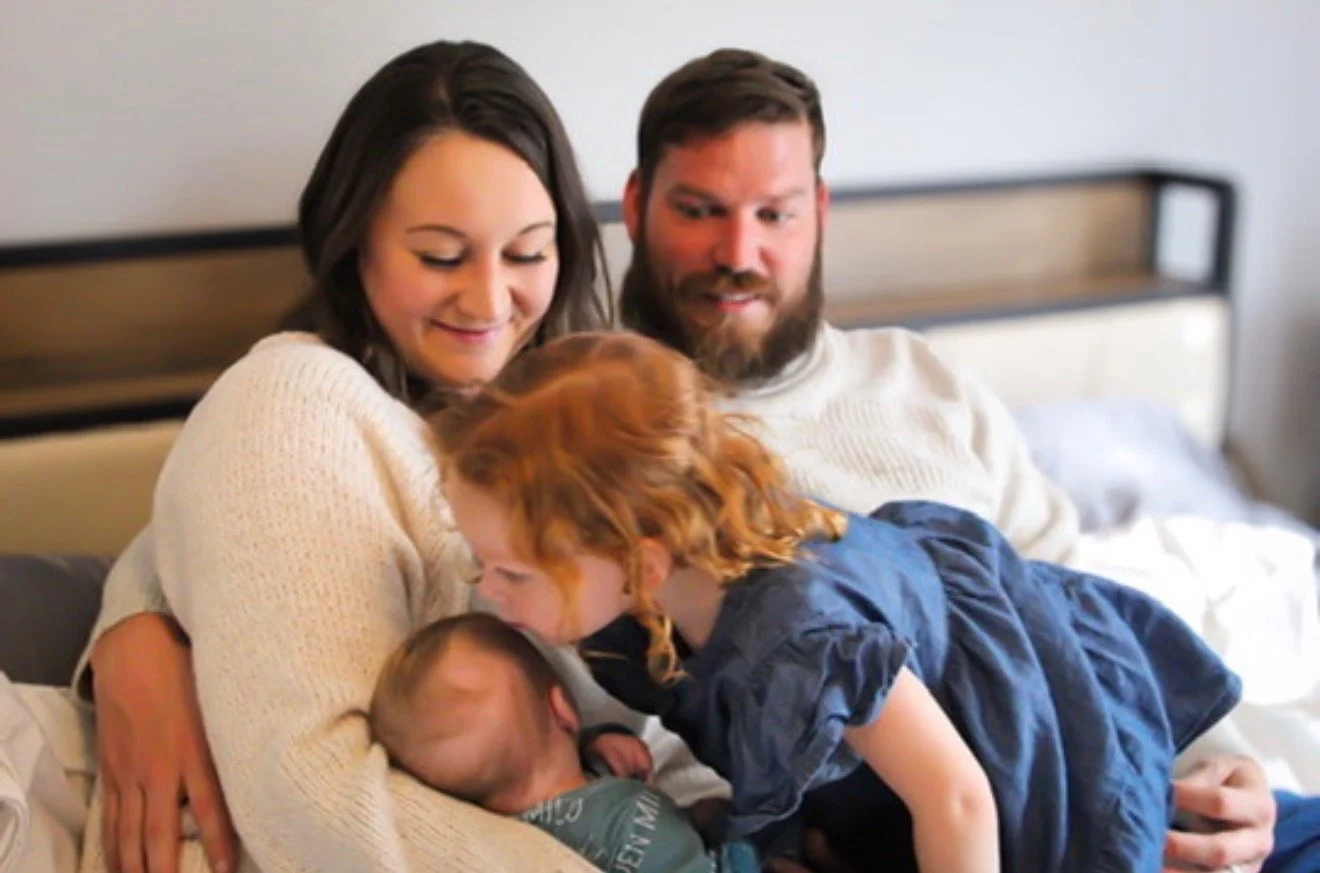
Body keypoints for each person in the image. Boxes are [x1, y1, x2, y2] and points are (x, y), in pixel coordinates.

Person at [617, 47, 1289, 873]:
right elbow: (650, 736)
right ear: (638, 204)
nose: (740, 251)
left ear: (820, 211)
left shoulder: (920, 376)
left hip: (1124, 785)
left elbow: (1073, 599)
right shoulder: (603, 439)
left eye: (776, 214)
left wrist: (1220, 768)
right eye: (700, 209)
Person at [72, 40, 724, 873]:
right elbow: (318, 804)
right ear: (356, 244)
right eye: (441, 256)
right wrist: (136, 609)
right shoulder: (295, 402)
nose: (491, 299)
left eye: (527, 252)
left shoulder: (568, 417)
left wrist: (136, 598)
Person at [432, 329, 1244, 872]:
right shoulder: (643, 609)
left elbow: (956, 796)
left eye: (512, 571)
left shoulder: (802, 633)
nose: (484, 587)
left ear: (640, 560)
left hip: (1015, 760)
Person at [368, 611, 761, 873]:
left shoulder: (516, 823)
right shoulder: (606, 827)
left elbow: (587, 778)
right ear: (562, 708)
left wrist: (600, 741)